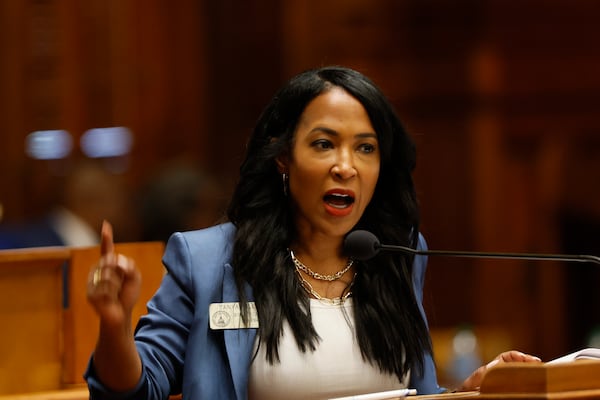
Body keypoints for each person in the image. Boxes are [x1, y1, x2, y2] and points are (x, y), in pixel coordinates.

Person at [85, 66, 541, 400]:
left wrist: (470, 391)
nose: (346, 166)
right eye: (324, 144)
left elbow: (415, 392)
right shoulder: (207, 260)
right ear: (283, 158)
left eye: (365, 148)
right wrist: (113, 323)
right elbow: (133, 390)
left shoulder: (396, 253)